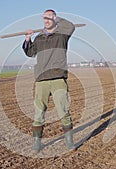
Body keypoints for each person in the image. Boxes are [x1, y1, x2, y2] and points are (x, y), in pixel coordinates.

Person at [22, 9, 76, 152]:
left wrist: (56, 19)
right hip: (42, 79)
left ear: (54, 18)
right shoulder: (39, 38)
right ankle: (37, 143)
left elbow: (71, 26)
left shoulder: (62, 34)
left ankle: (70, 143)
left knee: (63, 111)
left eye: (48, 17)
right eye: (44, 18)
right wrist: (28, 39)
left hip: (58, 78)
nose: (46, 20)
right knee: (39, 112)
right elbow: (30, 53)